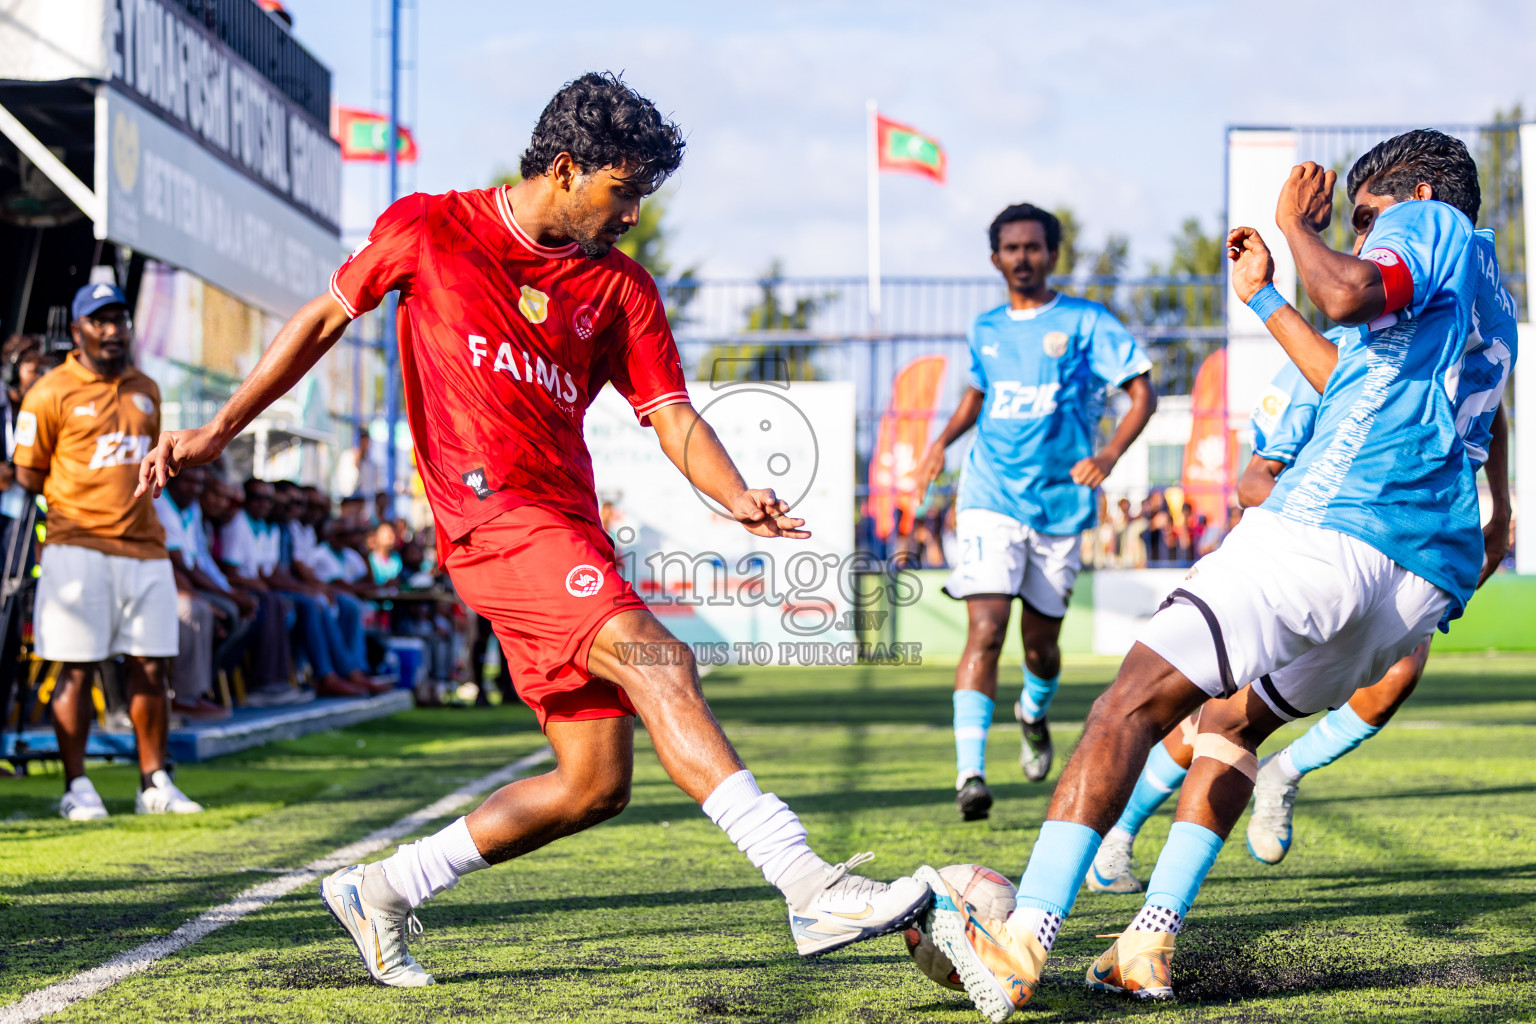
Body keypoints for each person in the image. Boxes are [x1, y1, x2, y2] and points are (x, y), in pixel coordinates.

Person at [139, 72, 929, 987]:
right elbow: (323, 319)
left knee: (594, 786)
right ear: (565, 168)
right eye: (623, 190)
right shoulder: (431, 227)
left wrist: (738, 492)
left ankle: (386, 888)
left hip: (566, 526)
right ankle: (806, 882)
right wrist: (217, 431)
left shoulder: (622, 290)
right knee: (658, 660)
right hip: (490, 522)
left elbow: (670, 414)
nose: (633, 214)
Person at [919, 131, 1503, 1019]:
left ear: (1419, 191)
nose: (1358, 231)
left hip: (1336, 523)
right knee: (1231, 722)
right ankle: (1148, 938)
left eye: (1365, 214)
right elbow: (1372, 381)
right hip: (1422, 573)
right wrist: (1266, 293)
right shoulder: (1490, 288)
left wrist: (1293, 225)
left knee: (1129, 703)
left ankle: (1021, 939)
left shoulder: (1427, 221)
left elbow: (1345, 294)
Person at [1088, 218, 1515, 892]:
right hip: (1310, 548)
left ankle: (1286, 773)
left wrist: (1499, 509)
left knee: (1393, 678)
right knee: (1210, 705)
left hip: (1407, 544)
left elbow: (1490, 408)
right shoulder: (1336, 348)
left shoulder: (1443, 328)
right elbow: (1255, 478)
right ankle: (1122, 832)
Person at [912, 202, 1157, 821]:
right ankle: (970, 774)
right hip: (989, 496)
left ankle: (1034, 712)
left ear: (1052, 254)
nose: (1022, 258)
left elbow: (1142, 393)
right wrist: (942, 442)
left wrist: (1108, 454)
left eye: (1033, 247)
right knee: (986, 628)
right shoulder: (986, 329)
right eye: (1011, 248)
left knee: (1041, 647)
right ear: (996, 258)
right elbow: (977, 394)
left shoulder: (1086, 321)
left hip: (1059, 505)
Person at [12, 282, 201, 819]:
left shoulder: (147, 387)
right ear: (78, 331)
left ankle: (154, 784)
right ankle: (77, 787)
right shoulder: (49, 390)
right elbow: (28, 472)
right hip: (77, 546)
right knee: (75, 667)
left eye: (119, 319)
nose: (114, 330)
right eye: (100, 321)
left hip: (145, 547)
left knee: (151, 668)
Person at [335, 431, 379, 500]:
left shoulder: (371, 464)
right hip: (350, 502)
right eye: (363, 442)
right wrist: (355, 464)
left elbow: (373, 487)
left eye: (367, 442)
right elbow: (346, 485)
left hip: (365, 505)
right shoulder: (347, 458)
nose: (365, 445)